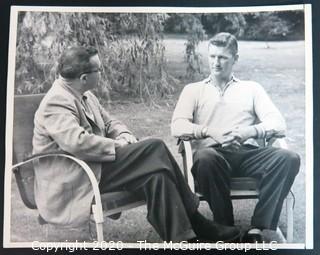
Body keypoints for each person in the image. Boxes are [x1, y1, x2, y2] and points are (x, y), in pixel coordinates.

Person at [32, 45, 241, 243]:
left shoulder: (84, 94)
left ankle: (184, 239)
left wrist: (122, 133)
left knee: (157, 175)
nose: (102, 73)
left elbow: (110, 122)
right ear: (84, 77)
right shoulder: (57, 101)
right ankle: (198, 221)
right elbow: (77, 143)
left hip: (96, 166)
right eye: (100, 69)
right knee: (154, 148)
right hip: (76, 176)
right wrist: (117, 145)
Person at [171, 32, 300, 242]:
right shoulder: (193, 90)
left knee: (289, 158)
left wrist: (249, 132)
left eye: (223, 57)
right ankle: (226, 229)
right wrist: (208, 131)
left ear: (235, 59)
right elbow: (177, 126)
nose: (216, 63)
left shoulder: (251, 89)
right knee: (205, 157)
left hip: (248, 154)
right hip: (213, 155)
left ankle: (259, 228)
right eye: (212, 56)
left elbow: (279, 123)